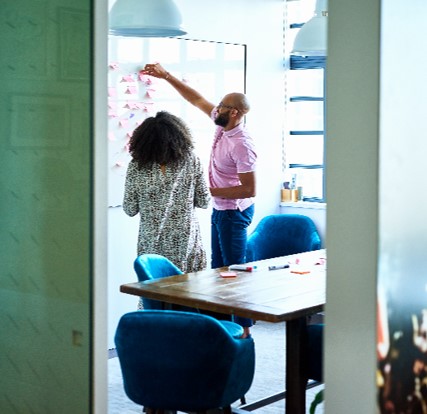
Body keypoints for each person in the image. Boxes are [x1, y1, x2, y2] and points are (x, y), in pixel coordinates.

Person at [142, 63, 257, 336]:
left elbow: (249, 189)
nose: (215, 107)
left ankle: (244, 329)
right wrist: (166, 75)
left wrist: (206, 191)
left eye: (222, 105)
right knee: (219, 272)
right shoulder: (221, 123)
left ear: (235, 112)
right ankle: (220, 327)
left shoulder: (242, 143)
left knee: (234, 273)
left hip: (235, 212)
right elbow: (195, 99)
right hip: (221, 210)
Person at [123, 111, 210, 277]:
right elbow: (204, 201)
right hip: (186, 242)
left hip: (151, 247)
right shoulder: (191, 160)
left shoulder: (136, 166)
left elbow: (129, 209)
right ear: (179, 137)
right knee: (190, 296)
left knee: (155, 296)